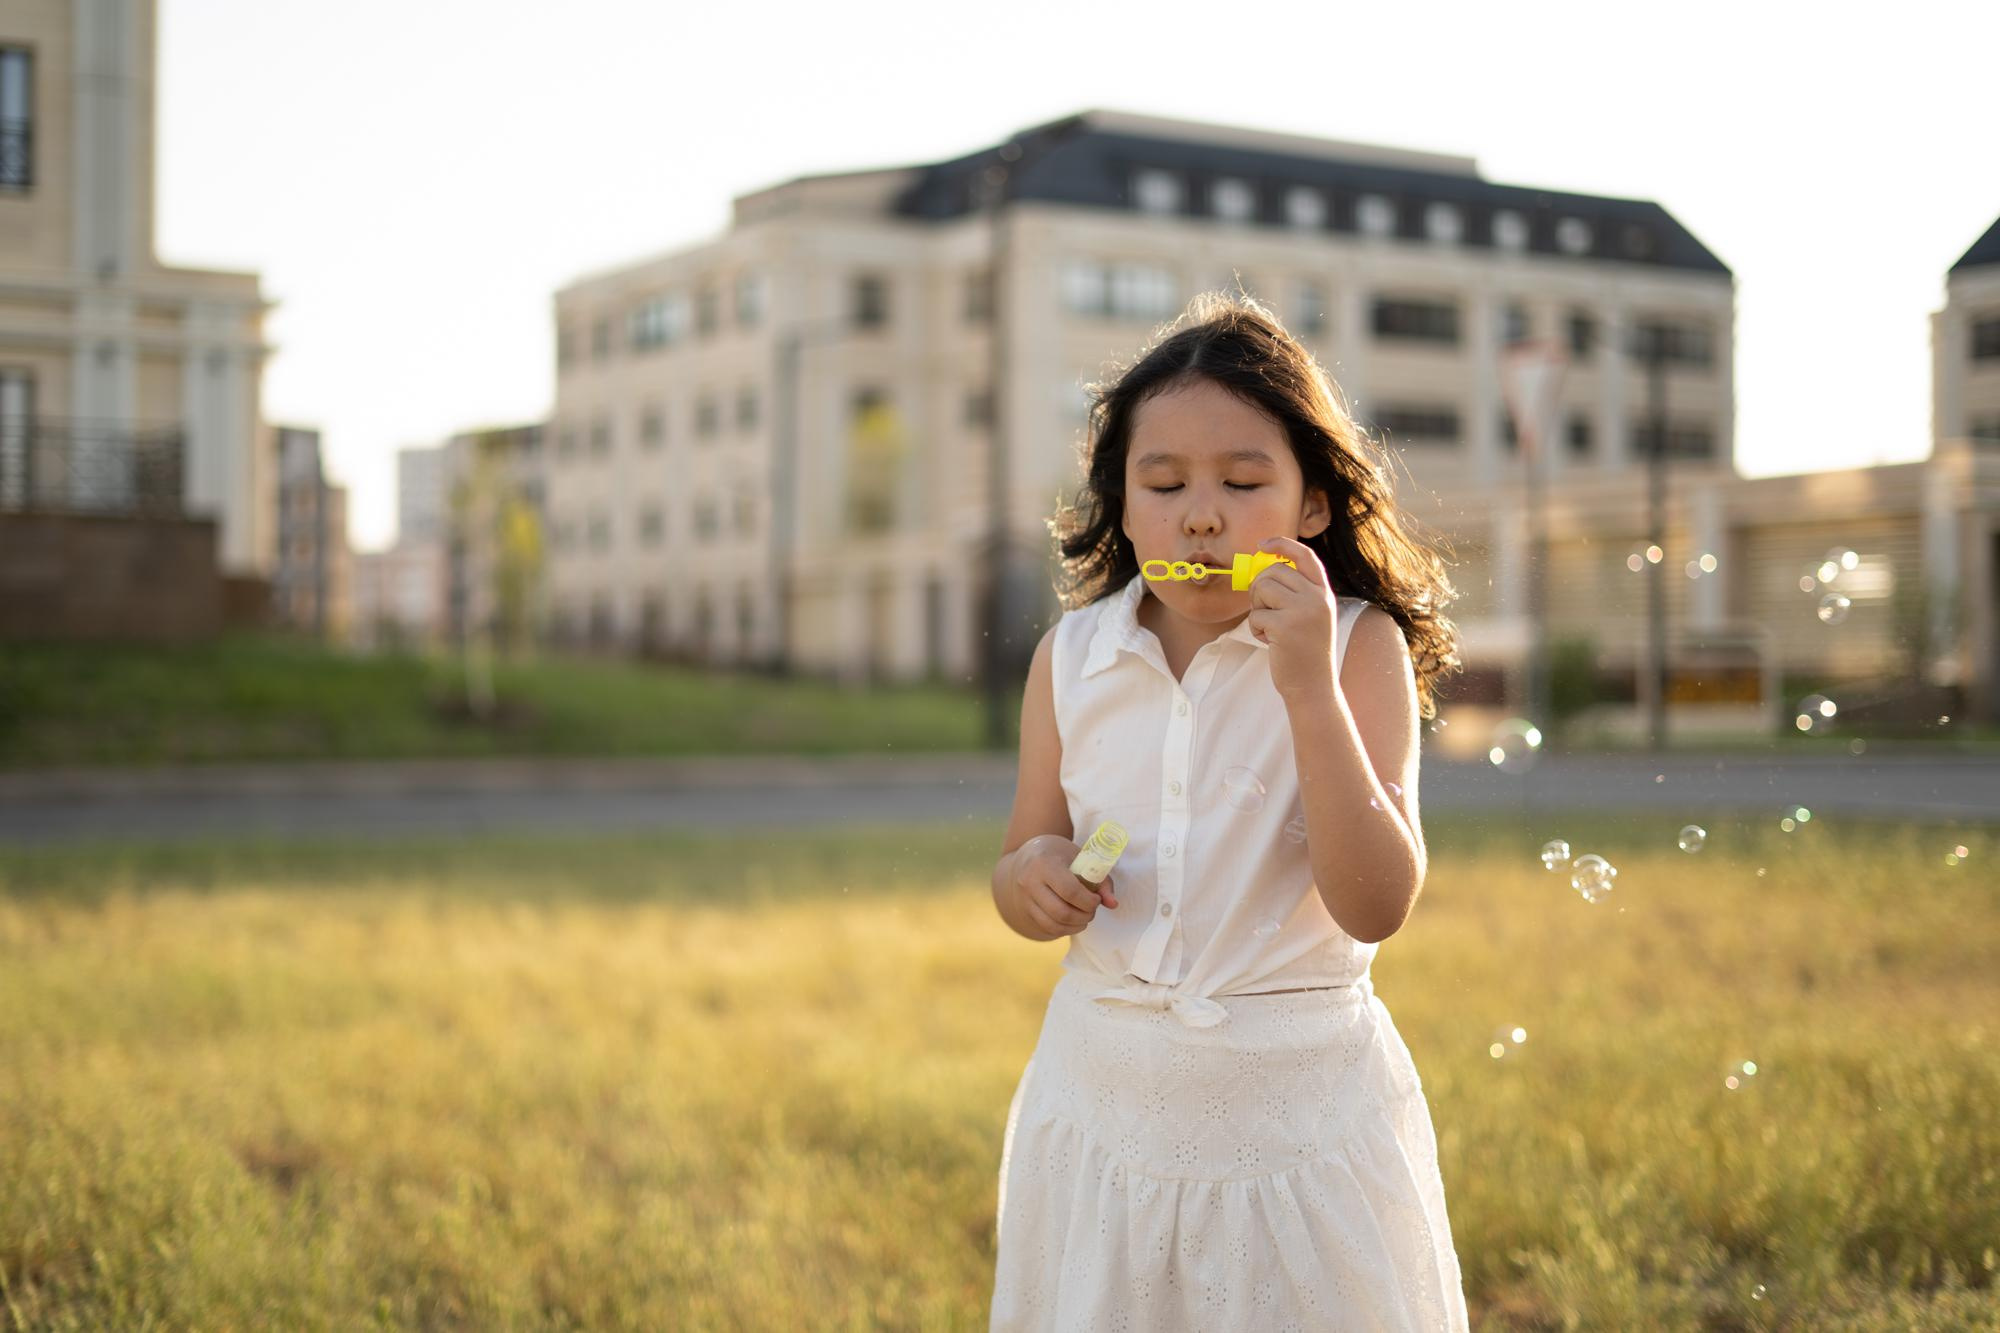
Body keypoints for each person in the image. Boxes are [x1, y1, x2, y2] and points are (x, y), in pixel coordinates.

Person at [987, 290, 1469, 1330]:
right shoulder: (1071, 658)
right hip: (1104, 1103)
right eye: (1163, 483)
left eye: (1243, 483)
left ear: (1312, 505)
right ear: (1122, 506)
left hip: (1295, 1115)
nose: (1199, 515)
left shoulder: (1355, 647)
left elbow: (1376, 903)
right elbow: (1021, 853)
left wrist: (1306, 688)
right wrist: (1032, 879)